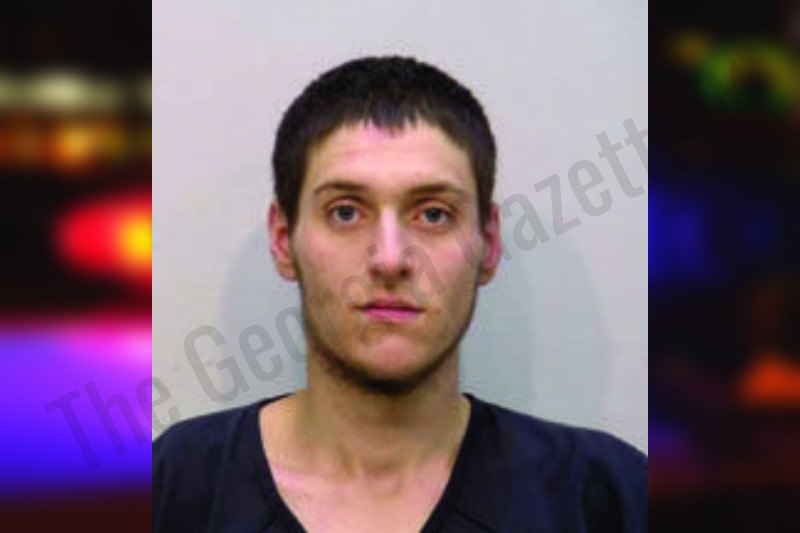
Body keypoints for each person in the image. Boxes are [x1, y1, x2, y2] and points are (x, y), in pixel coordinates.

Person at [153, 56, 647, 532]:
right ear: (284, 240)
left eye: (433, 214)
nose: (390, 260)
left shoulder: (607, 498)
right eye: (346, 212)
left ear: (489, 244)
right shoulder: (174, 486)